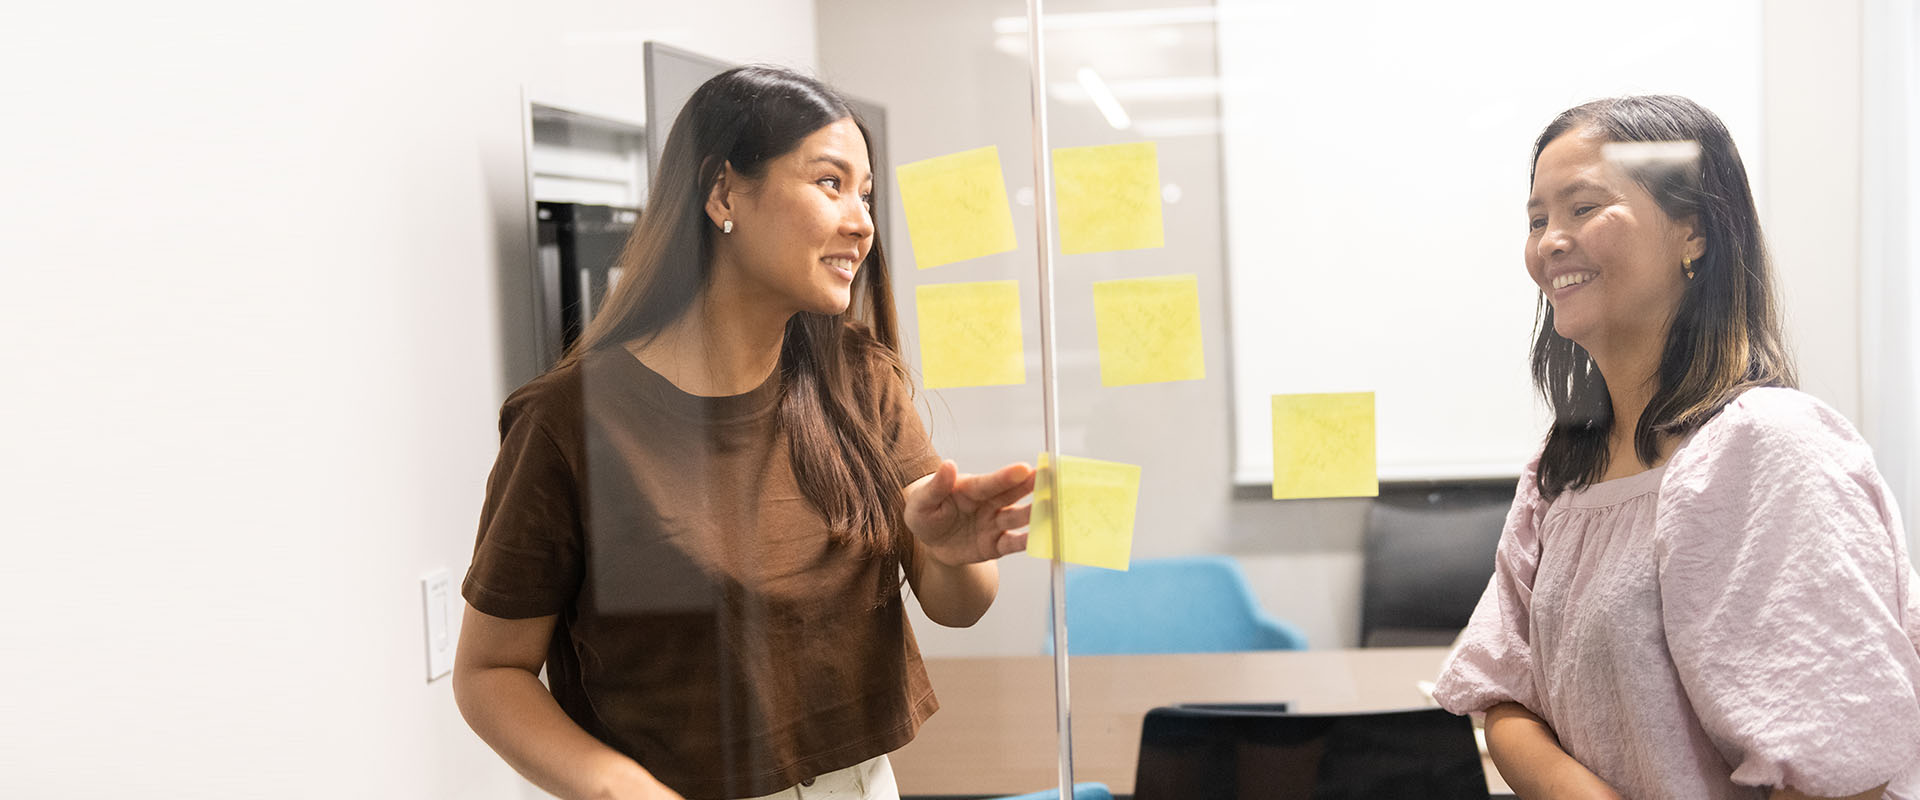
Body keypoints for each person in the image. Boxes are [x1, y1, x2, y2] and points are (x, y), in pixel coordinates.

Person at [452, 65, 1036, 800]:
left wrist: (952, 554)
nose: (861, 222)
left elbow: (960, 604)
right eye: (830, 183)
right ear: (723, 192)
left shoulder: (859, 380)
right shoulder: (568, 420)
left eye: (866, 194)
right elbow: (489, 671)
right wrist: (612, 787)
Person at [1434, 95, 1920, 800]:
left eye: (1583, 207)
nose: (1550, 242)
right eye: (1538, 219)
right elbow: (1501, 688)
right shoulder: (1562, 465)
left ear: (1692, 231)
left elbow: (1839, 769)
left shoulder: (1768, 447)